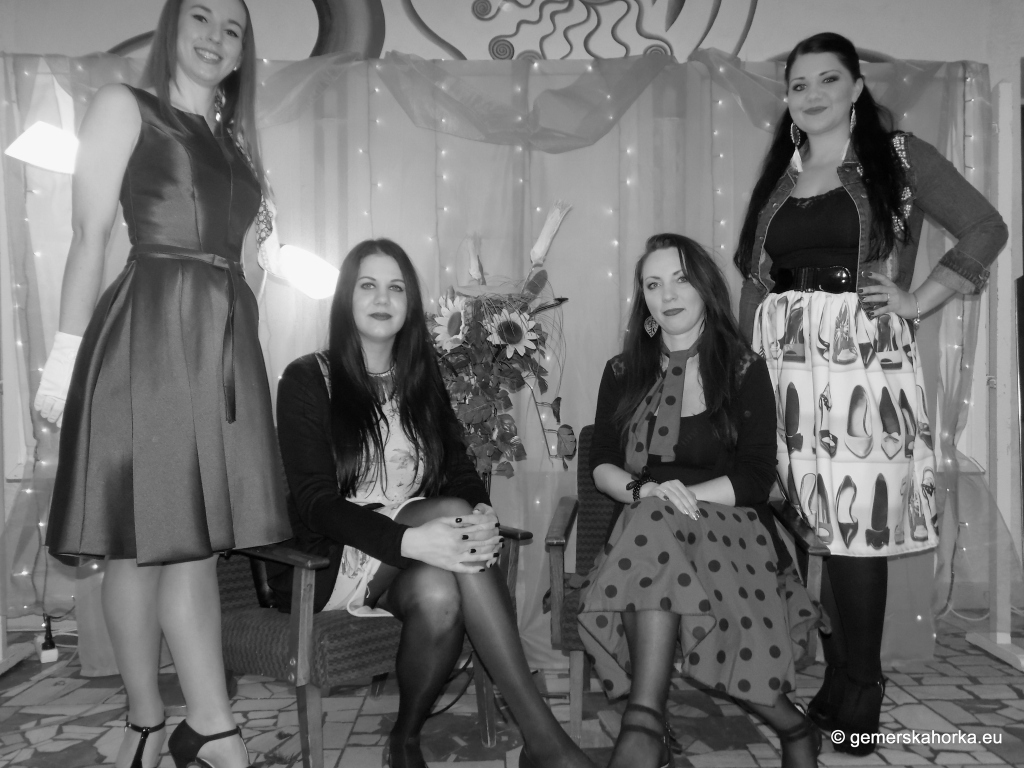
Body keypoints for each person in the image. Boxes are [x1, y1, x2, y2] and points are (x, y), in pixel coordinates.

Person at [734, 32, 1007, 755]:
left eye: (829, 79)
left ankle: (863, 687)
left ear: (857, 87)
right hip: (786, 365)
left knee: (856, 524)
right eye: (799, 84)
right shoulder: (781, 176)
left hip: (862, 364)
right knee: (816, 525)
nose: (813, 94)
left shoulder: (899, 157)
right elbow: (755, 284)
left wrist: (919, 300)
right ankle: (835, 680)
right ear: (788, 98)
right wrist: (742, 376)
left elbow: (986, 227)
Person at [35, 1, 292, 766]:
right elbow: (89, 237)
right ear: (172, 28)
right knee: (134, 543)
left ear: (242, 55)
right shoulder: (125, 107)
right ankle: (153, 720)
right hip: (148, 334)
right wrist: (62, 365)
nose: (215, 37)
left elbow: (247, 268)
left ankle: (204, 725)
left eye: (232, 30)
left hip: (221, 343)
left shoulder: (237, 144)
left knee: (194, 546)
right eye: (201, 18)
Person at [273, 238, 595, 768]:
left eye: (396, 288)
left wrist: (483, 510)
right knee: (449, 514)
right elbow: (315, 503)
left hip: (411, 557)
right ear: (346, 297)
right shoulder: (307, 379)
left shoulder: (422, 382)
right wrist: (411, 540)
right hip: (334, 561)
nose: (383, 298)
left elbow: (459, 470)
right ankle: (544, 741)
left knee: (442, 596)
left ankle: (405, 738)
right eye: (368, 285)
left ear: (410, 304)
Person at [578, 233, 822, 768]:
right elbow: (602, 464)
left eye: (681, 279)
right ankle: (651, 725)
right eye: (652, 284)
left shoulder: (743, 368)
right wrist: (647, 491)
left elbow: (756, 475)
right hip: (645, 532)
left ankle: (645, 730)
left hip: (732, 531)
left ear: (705, 287)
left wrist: (677, 498)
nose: (667, 295)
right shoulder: (621, 372)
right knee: (651, 525)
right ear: (643, 298)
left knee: (653, 523)